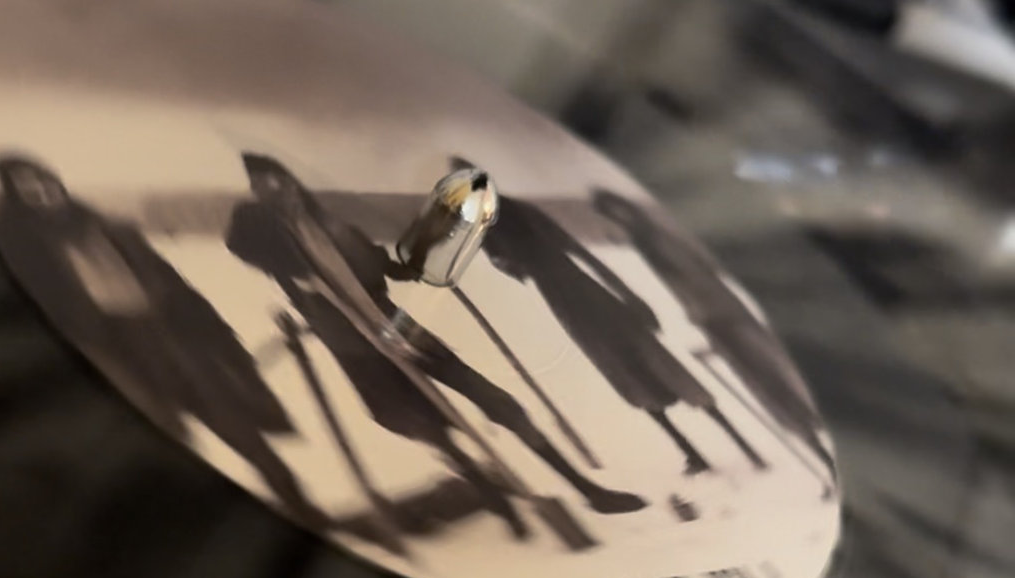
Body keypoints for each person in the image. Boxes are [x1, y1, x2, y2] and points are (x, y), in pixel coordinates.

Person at [226, 153, 646, 540]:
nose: (280, 192)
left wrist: (424, 259)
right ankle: (498, 503)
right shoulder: (268, 241)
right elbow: (239, 242)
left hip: (396, 326)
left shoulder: (337, 228)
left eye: (281, 181)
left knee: (496, 400)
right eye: (265, 186)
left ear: (294, 183)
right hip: (358, 352)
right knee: (433, 429)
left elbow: (384, 268)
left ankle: (587, 490)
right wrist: (265, 219)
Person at [0, 153, 329, 530]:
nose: (40, 190)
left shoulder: (109, 227)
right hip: (114, 352)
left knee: (237, 424)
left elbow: (176, 287)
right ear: (16, 199)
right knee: (159, 443)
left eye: (42, 179)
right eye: (26, 188)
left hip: (169, 339)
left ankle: (301, 509)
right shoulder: (26, 250)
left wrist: (221, 339)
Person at [477, 188, 767, 477]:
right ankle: (723, 449)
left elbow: (517, 269)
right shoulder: (512, 218)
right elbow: (575, 256)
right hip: (590, 300)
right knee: (650, 371)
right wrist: (628, 295)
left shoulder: (501, 225)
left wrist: (630, 296)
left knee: (638, 374)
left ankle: (704, 451)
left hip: (580, 306)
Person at [592, 188, 834, 479]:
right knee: (771, 394)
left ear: (629, 211)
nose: (619, 221)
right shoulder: (645, 244)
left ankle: (829, 451)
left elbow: (707, 276)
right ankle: (825, 463)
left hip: (731, 318)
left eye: (618, 213)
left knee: (784, 381)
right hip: (716, 325)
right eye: (613, 217)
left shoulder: (661, 238)